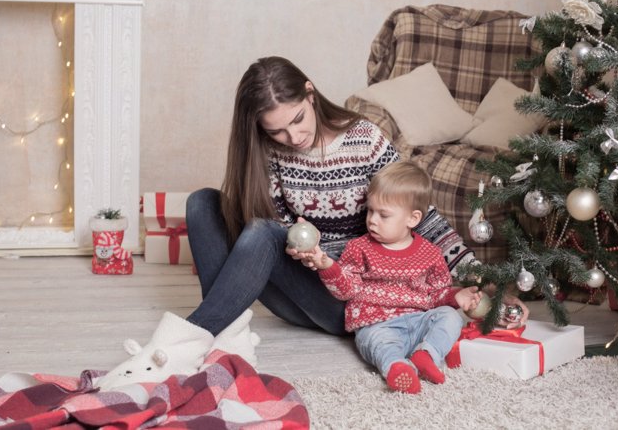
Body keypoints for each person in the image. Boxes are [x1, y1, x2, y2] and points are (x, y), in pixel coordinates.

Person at [183, 56, 528, 361]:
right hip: (300, 286)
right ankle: (222, 333)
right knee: (202, 202)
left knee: (260, 231)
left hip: (352, 298)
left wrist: (488, 284)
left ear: (310, 93)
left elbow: (424, 219)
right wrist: (300, 248)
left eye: (298, 119)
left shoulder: (365, 140)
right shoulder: (267, 152)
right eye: (277, 131)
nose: (294, 136)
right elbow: (274, 234)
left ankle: (190, 339)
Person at [300, 161, 480, 393]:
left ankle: (427, 355)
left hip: (417, 321)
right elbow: (346, 290)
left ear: (412, 219)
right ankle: (396, 367)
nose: (372, 220)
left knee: (449, 318)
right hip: (377, 325)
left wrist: (457, 297)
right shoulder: (359, 248)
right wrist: (327, 265)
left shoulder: (431, 254)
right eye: (370, 211)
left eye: (383, 215)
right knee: (380, 345)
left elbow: (436, 295)